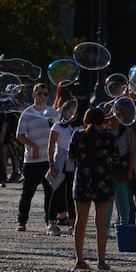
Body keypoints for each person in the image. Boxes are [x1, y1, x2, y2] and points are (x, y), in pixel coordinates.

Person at [68, 108, 120, 270]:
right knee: (101, 223)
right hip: (102, 181)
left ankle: (80, 259)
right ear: (102, 122)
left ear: (85, 120)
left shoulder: (78, 135)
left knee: (80, 221)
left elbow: (71, 156)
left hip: (83, 180)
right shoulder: (108, 137)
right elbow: (116, 159)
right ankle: (101, 260)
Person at [15, 83, 59, 232]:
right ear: (33, 95)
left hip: (49, 159)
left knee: (50, 192)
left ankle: (50, 222)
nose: (42, 97)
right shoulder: (28, 113)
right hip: (32, 160)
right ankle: (21, 221)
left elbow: (59, 134)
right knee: (28, 192)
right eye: (39, 93)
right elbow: (19, 135)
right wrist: (32, 145)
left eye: (45, 94)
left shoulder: (53, 113)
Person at [47, 100, 82, 235]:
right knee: (57, 191)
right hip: (60, 160)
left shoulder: (79, 128)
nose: (73, 114)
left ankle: (73, 222)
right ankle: (51, 222)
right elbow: (50, 146)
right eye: (70, 111)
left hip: (73, 161)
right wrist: (51, 164)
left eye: (75, 111)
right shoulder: (58, 127)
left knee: (71, 193)